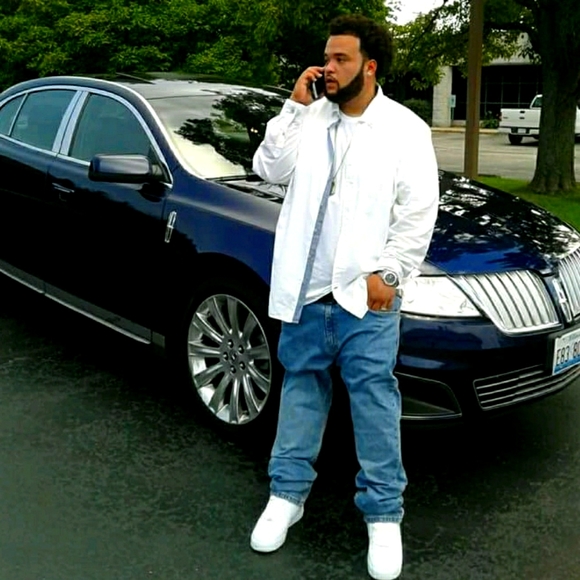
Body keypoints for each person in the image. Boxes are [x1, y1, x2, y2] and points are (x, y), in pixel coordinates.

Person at [250, 14, 439, 580]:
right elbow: (267, 168)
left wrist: (391, 274)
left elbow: (417, 210)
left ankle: (383, 514)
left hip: (366, 295)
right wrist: (293, 108)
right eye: (326, 58)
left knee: (374, 401)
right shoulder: (310, 119)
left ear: (369, 66)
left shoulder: (404, 129)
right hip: (307, 291)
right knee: (301, 391)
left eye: (340, 60)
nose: (327, 68)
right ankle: (286, 495)